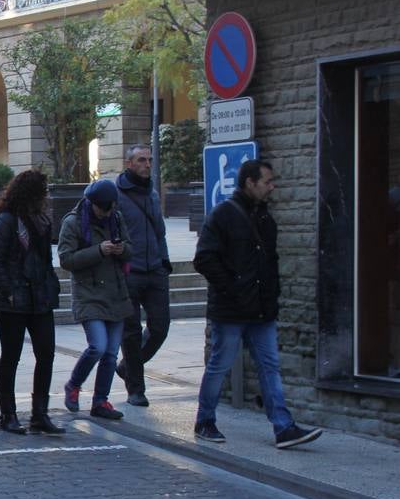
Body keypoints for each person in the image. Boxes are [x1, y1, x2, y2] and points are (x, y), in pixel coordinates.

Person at [193, 159, 323, 449]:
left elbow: (269, 262)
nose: (272, 187)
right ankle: (205, 420)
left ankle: (283, 427)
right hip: (231, 308)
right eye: (267, 182)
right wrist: (233, 287)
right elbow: (204, 259)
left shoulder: (265, 217)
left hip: (261, 308)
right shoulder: (223, 215)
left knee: (270, 365)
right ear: (250, 183)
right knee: (220, 364)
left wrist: (270, 294)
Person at [0, 170, 64, 436]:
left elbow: (44, 260)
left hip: (39, 296)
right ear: (32, 193)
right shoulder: (7, 221)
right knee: (11, 357)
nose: (48, 195)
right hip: (13, 299)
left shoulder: (41, 220)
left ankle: (40, 414)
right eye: (44, 191)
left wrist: (50, 286)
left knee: (46, 353)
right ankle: (9, 414)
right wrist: (8, 292)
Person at [58, 179, 133, 422]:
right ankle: (73, 385)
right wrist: (99, 250)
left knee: (111, 353)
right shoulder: (73, 222)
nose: (108, 213)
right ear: (93, 204)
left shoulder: (116, 218)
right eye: (104, 209)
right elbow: (66, 259)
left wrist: (123, 250)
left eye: (111, 208)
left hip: (116, 293)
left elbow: (131, 247)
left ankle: (101, 400)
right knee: (98, 346)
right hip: (88, 294)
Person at [115, 144, 171, 407]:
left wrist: (165, 260)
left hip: (155, 269)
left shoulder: (152, 194)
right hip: (129, 271)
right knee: (131, 332)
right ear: (129, 164)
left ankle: (127, 366)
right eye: (141, 160)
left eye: (149, 160)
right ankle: (136, 389)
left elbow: (159, 231)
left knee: (160, 327)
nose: (147, 165)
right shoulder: (116, 194)